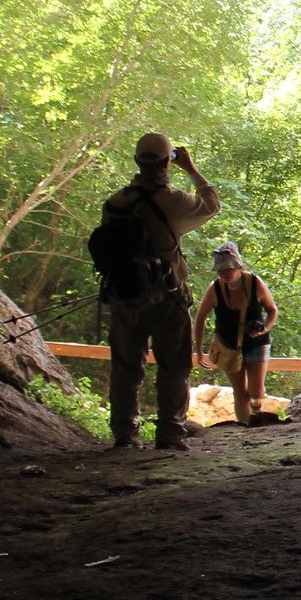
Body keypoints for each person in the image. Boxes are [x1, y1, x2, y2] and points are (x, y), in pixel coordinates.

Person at [102, 133, 220, 450]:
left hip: (124, 297)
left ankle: (125, 435)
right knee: (174, 367)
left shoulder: (115, 203)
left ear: (137, 161)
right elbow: (212, 204)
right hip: (166, 296)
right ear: (168, 161)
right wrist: (192, 170)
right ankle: (169, 431)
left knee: (125, 369)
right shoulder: (174, 203)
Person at [192, 241, 281, 426]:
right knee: (239, 390)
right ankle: (246, 427)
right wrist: (199, 351)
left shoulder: (255, 283)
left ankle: (256, 409)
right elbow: (200, 318)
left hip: (257, 342)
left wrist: (264, 328)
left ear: (238, 267)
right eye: (220, 271)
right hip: (228, 346)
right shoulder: (214, 288)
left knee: (255, 391)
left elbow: (272, 310)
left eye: (227, 270)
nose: (223, 274)